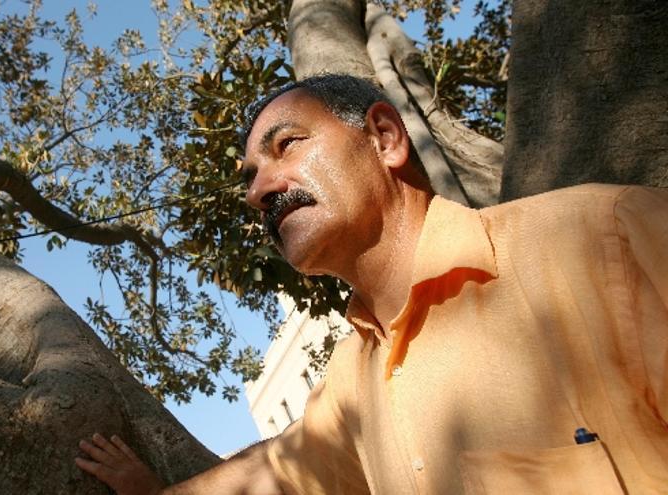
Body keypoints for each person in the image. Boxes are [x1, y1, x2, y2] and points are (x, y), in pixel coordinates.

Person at [76, 74, 668, 494]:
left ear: (384, 137)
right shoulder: (350, 383)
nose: (258, 192)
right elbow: (279, 471)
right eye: (252, 180)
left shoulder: (606, 238)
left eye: (286, 145)